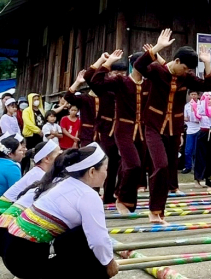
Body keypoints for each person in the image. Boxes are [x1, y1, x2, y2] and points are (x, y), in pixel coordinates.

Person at [2, 144, 118, 279]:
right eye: (106, 169)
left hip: (10, 252)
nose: (107, 174)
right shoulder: (87, 195)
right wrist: (109, 263)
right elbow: (99, 241)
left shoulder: (64, 183)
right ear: (92, 171)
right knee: (97, 264)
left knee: (82, 234)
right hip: (26, 262)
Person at [134, 29, 211, 220]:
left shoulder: (185, 78)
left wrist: (207, 62)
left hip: (174, 129)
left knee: (168, 168)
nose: (187, 73)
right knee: (160, 166)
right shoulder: (157, 71)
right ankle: (154, 210)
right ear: (177, 62)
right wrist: (158, 47)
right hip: (153, 126)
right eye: (186, 68)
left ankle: (159, 212)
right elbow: (139, 65)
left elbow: (208, 87)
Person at [90, 50, 150, 216]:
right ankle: (120, 198)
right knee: (132, 164)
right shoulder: (121, 81)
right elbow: (95, 83)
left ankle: (129, 202)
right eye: (146, 65)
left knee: (137, 168)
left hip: (141, 131)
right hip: (122, 129)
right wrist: (106, 63)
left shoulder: (148, 84)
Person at [0, 140, 62, 232]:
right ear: (46, 159)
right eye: (59, 155)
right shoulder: (38, 175)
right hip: (3, 217)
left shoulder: (40, 172)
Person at [83, 61, 125, 205]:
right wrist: (103, 62)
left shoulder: (126, 87)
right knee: (100, 161)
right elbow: (90, 78)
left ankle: (110, 195)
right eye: (116, 73)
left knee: (117, 163)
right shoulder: (103, 87)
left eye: (123, 74)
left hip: (121, 129)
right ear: (110, 73)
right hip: (104, 130)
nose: (120, 76)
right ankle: (93, 192)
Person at [64, 71, 99, 145]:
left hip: (104, 136)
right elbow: (68, 97)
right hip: (87, 134)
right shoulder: (85, 98)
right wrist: (77, 82)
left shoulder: (108, 97)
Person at [21, 93, 45, 173]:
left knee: (39, 154)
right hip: (31, 136)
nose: (36, 101)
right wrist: (37, 130)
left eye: (38, 99)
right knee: (27, 154)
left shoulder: (41, 110)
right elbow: (28, 123)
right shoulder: (26, 111)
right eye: (34, 99)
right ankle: (23, 171)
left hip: (40, 136)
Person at [193, 93, 211, 187]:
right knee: (200, 156)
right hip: (203, 132)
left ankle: (209, 179)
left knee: (210, 157)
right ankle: (197, 179)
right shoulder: (200, 106)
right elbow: (197, 117)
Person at [182, 91, 201, 174]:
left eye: (195, 94)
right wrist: (192, 118)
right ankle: (188, 166)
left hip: (199, 129)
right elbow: (185, 118)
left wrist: (193, 118)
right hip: (190, 130)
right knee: (188, 150)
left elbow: (199, 118)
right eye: (192, 94)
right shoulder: (186, 106)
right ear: (189, 95)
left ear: (198, 95)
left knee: (196, 150)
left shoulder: (201, 105)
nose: (193, 96)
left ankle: (196, 167)